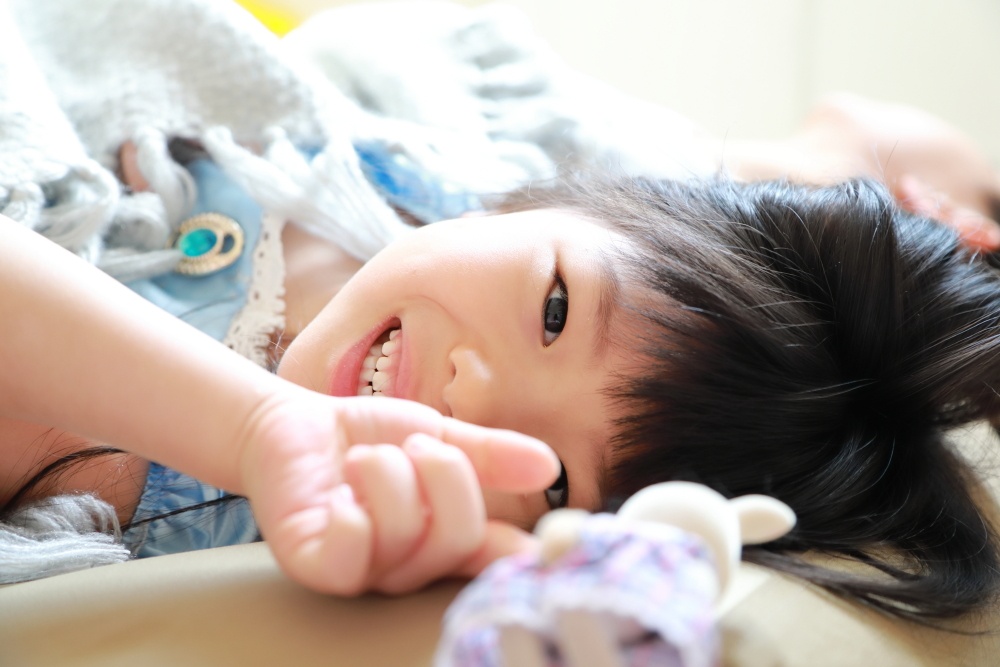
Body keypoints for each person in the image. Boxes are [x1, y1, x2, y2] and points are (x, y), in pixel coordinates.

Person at [3, 0, 1000, 623]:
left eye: (554, 478)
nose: (471, 393)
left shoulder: (132, 506)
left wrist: (255, 428)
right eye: (556, 311)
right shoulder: (482, 139)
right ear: (583, 195)